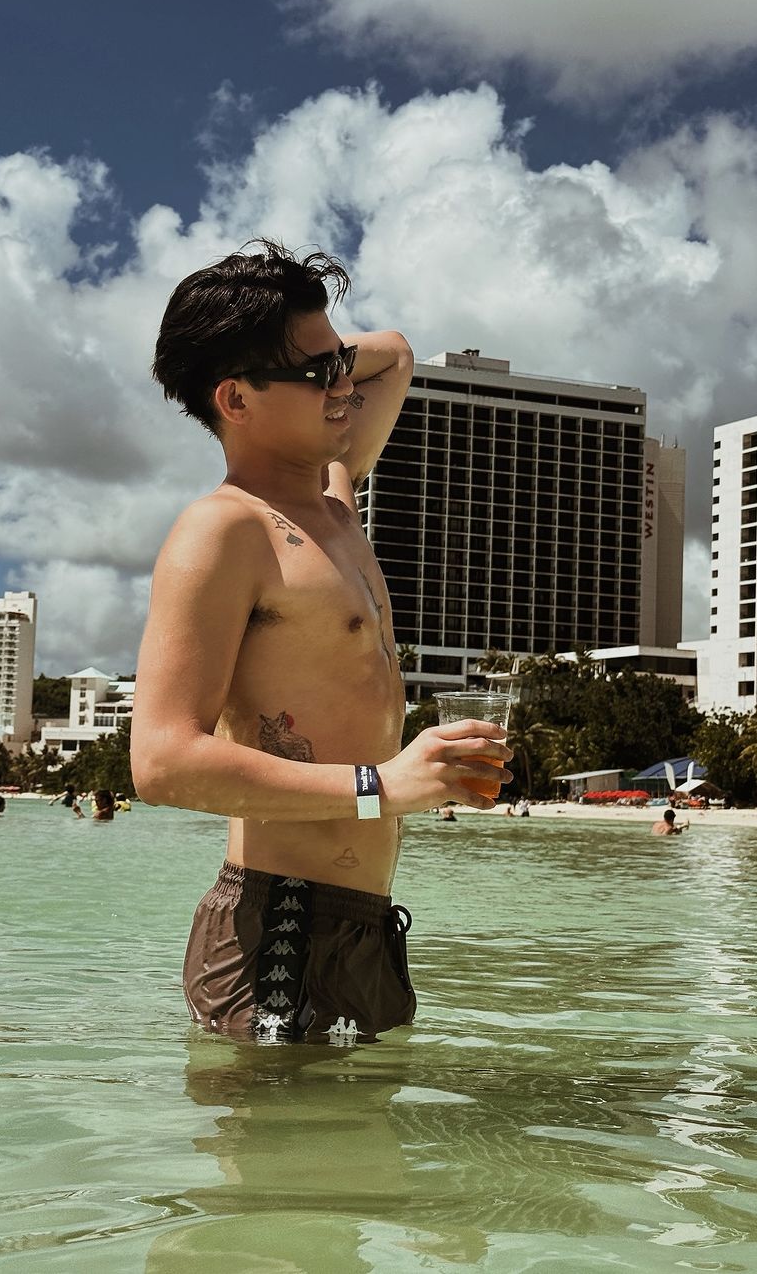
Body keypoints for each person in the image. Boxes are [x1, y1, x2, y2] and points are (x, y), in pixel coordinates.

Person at [130, 241, 513, 1045]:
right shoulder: (223, 531)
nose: (344, 384)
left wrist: (313, 355)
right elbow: (161, 762)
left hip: (367, 926)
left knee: (368, 1134)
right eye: (318, 373)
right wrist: (383, 785)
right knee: (282, 1136)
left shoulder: (336, 504)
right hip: (279, 929)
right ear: (235, 399)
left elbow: (394, 355)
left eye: (340, 361)